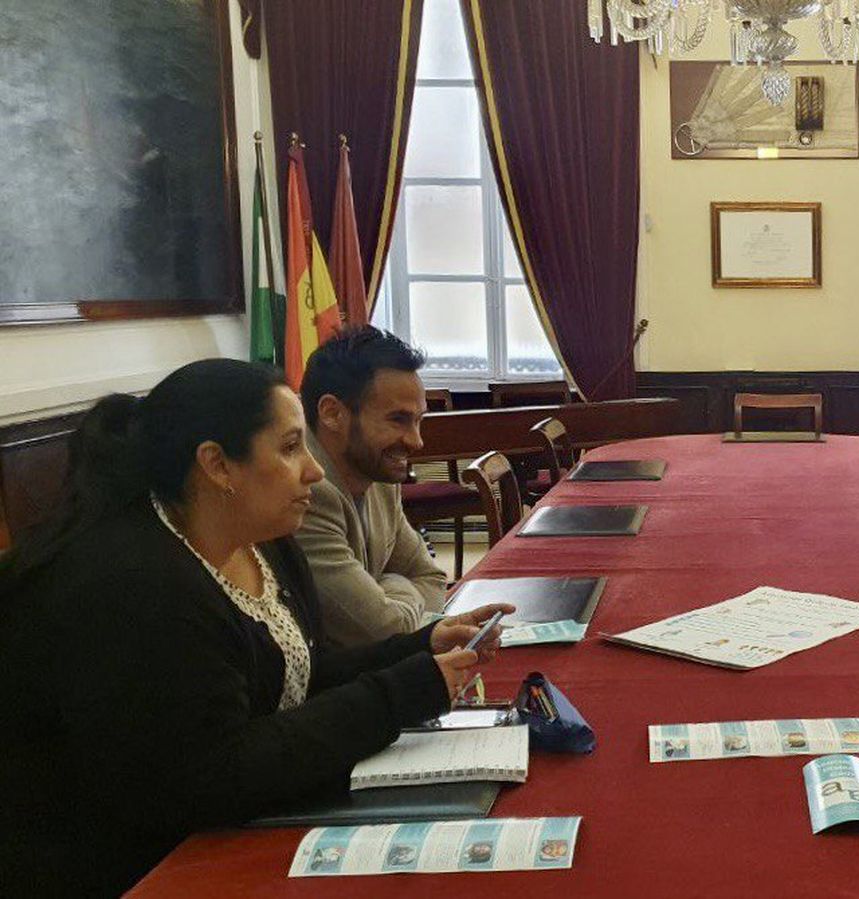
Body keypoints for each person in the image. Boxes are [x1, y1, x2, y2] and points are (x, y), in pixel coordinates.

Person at [0, 360, 513, 896]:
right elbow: (217, 773)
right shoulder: (137, 582)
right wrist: (398, 694)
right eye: (291, 447)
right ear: (218, 465)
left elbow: (292, 679)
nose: (314, 469)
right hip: (119, 865)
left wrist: (418, 646)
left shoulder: (264, 541)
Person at [296, 327, 448, 648]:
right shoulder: (305, 492)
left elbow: (432, 578)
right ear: (332, 413)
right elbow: (381, 630)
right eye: (398, 420)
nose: (416, 441)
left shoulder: (379, 477)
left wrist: (383, 589)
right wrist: (395, 582)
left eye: (419, 420)